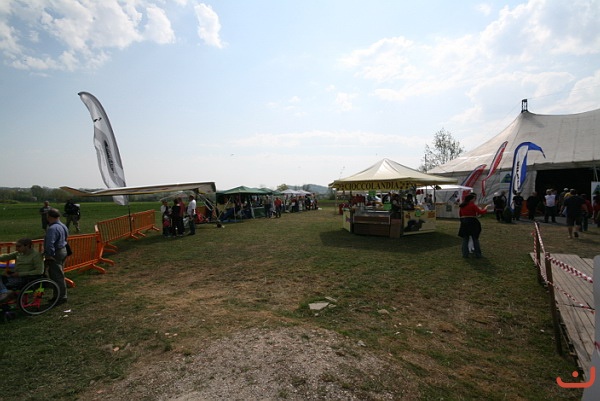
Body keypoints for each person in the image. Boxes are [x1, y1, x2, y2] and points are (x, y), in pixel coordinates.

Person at [0, 238, 45, 302]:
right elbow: (6, 257)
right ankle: (6, 294)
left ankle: (5, 293)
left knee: (3, 283)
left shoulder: (36, 255)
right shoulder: (19, 253)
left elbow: (39, 271)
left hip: (26, 279)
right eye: (16, 246)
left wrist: (19, 274)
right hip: (15, 276)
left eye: (19, 246)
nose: (16, 248)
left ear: (27, 246)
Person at [44, 209, 69, 304]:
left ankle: (61, 297)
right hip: (63, 250)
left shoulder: (52, 228)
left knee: (56, 276)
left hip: (56, 253)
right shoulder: (63, 226)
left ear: (49, 217)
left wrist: (49, 255)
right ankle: (58, 295)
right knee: (59, 274)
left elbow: (50, 244)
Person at [458, 193, 488, 258]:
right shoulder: (472, 205)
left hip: (464, 222)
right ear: (471, 199)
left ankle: (465, 254)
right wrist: (486, 208)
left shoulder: (462, 206)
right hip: (472, 222)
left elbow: (460, 215)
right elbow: (481, 212)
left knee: (465, 239)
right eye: (474, 198)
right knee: (475, 239)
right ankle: (478, 254)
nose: (475, 199)